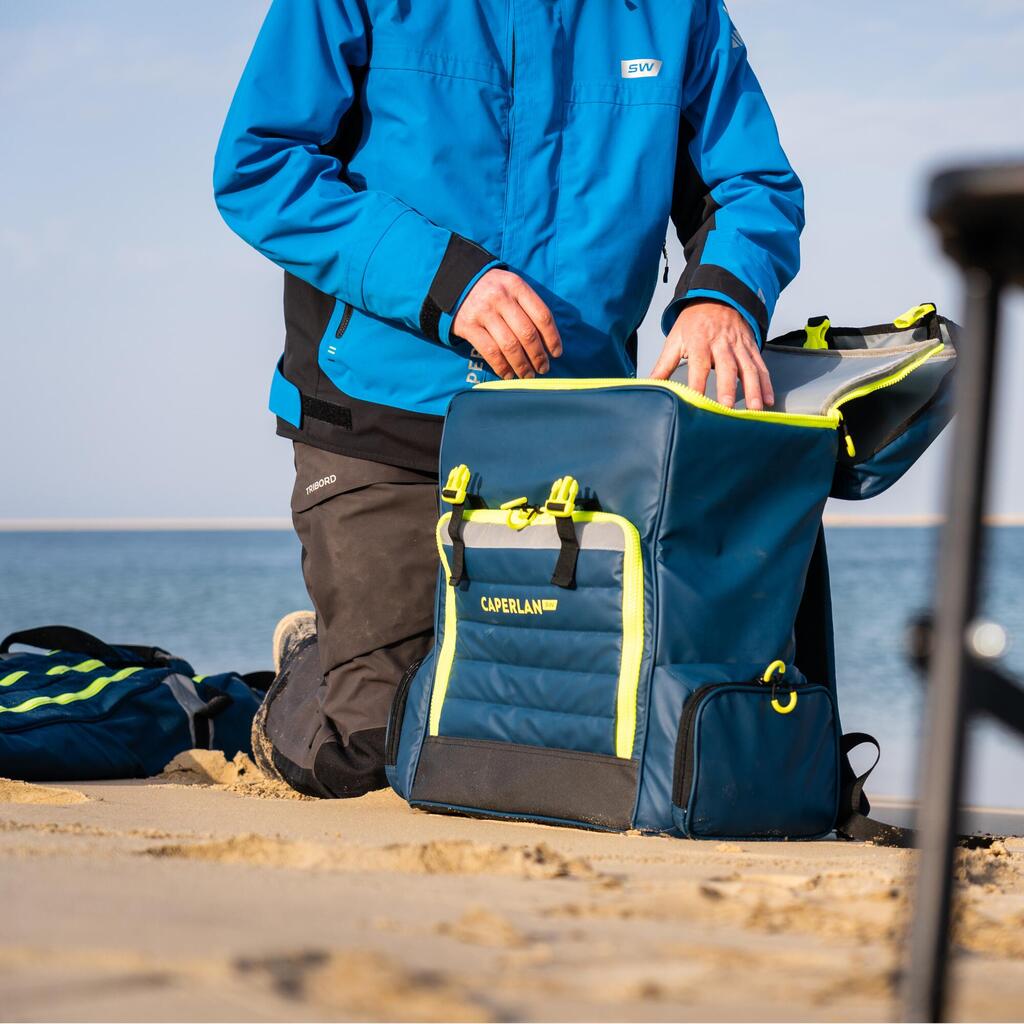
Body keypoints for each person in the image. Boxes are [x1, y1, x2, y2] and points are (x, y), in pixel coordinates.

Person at [214, 0, 804, 798]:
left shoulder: (679, 11)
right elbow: (260, 166)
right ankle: (306, 667)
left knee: (562, 738)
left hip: (566, 426)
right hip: (376, 416)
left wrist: (722, 298)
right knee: (366, 750)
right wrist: (446, 280)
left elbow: (751, 184)